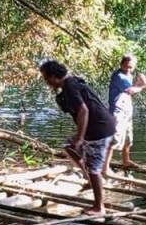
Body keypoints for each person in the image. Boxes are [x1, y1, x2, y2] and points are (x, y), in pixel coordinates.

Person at [39, 60, 115, 215]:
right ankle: (89, 179)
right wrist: (78, 139)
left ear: (54, 76)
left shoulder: (70, 85)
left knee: (94, 169)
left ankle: (99, 207)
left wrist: (80, 138)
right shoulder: (70, 85)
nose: (47, 82)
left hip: (99, 128)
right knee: (69, 147)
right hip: (96, 127)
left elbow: (83, 110)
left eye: (47, 79)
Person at [102, 53, 146, 175]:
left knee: (128, 138)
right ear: (121, 64)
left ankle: (126, 160)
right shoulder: (119, 76)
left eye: (131, 67)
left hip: (127, 112)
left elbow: (132, 90)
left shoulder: (128, 75)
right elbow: (131, 90)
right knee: (114, 139)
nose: (128, 69)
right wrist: (143, 85)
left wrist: (140, 82)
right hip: (117, 113)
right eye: (126, 66)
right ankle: (105, 168)